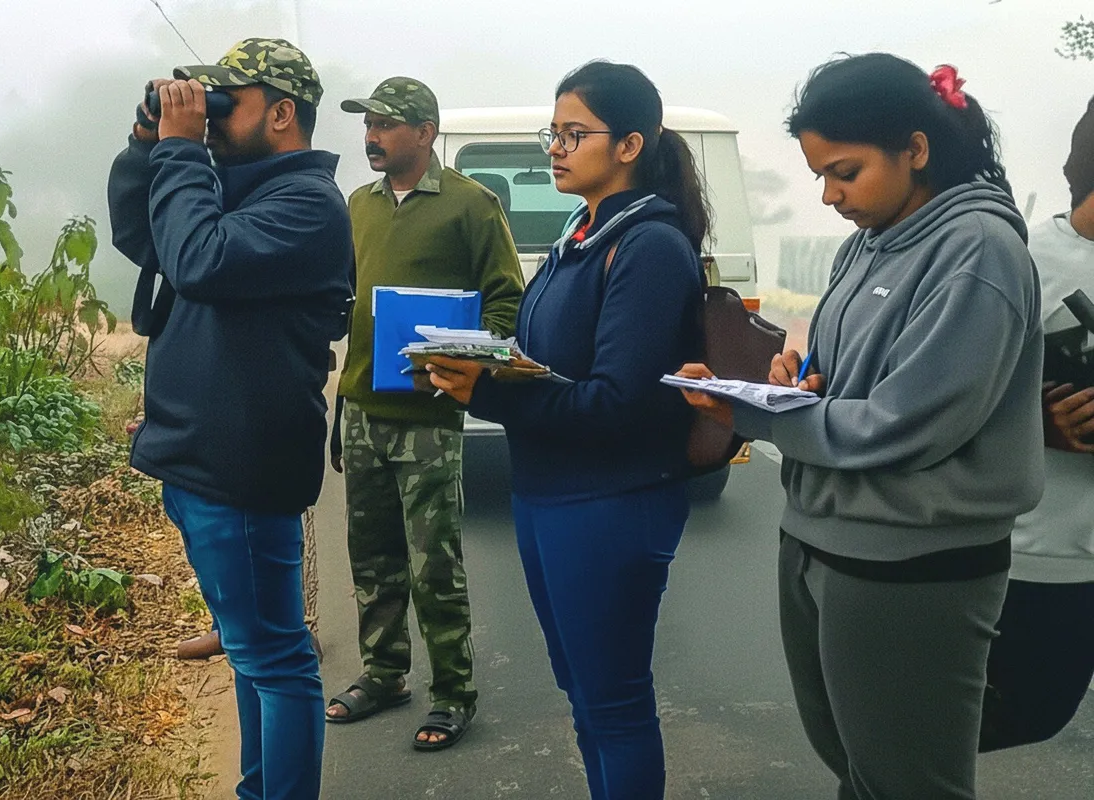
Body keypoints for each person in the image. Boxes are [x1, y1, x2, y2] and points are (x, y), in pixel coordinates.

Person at [679, 54, 1043, 799]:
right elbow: (842, 382)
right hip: (819, 536)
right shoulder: (865, 244)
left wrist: (759, 415)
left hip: (908, 560)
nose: (830, 195)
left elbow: (909, 423)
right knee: (858, 766)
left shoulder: (977, 251)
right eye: (820, 175)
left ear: (915, 149)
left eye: (844, 171)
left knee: (909, 781)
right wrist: (792, 379)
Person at [427, 61, 710, 797]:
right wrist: (485, 365)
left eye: (574, 133)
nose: (555, 147)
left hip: (611, 501)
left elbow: (617, 402)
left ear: (630, 145)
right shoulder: (580, 233)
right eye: (552, 132)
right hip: (549, 494)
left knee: (613, 703)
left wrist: (488, 390)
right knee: (584, 695)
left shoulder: (647, 245)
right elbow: (547, 364)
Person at [106, 37, 352, 800]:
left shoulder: (307, 205)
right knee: (254, 652)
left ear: (282, 114)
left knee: (276, 659)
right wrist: (147, 145)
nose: (206, 120)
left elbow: (200, 261)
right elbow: (144, 237)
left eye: (224, 104)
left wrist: (182, 151)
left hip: (240, 466)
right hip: (203, 456)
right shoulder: (240, 188)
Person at [326, 77, 524, 751]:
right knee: (373, 560)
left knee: (433, 564)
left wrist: (470, 364)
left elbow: (505, 303)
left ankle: (453, 693)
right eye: (368, 123)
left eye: (386, 124)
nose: (371, 136)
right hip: (361, 412)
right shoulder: (358, 205)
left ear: (426, 132)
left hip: (428, 417)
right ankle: (384, 676)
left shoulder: (472, 205)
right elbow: (344, 303)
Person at [979, 95, 1094, 752]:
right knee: (1018, 716)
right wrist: (1034, 420)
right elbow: (946, 401)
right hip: (1036, 556)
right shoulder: (1022, 260)